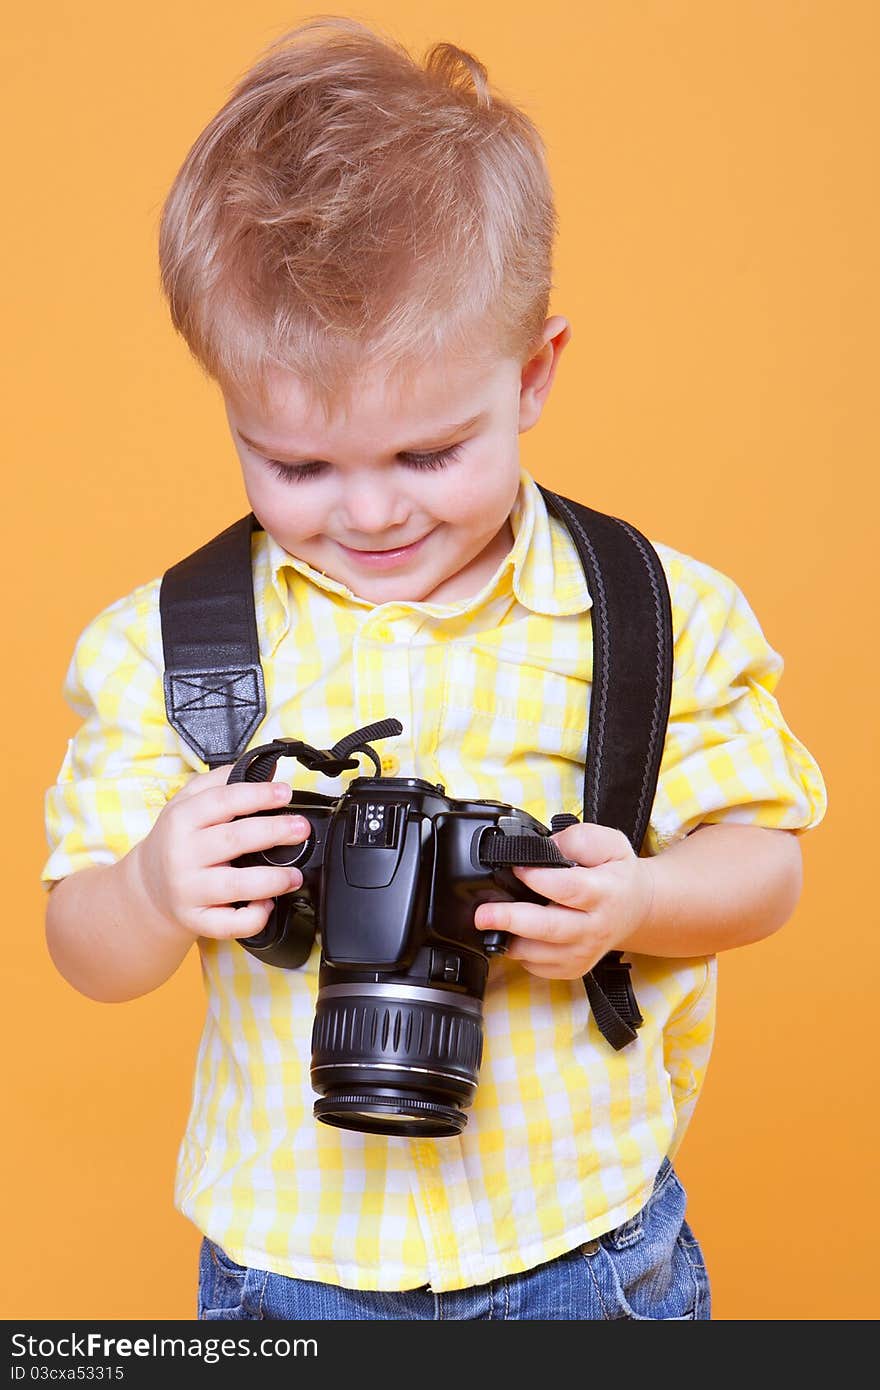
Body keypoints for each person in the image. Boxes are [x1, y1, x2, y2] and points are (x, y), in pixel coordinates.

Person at [41, 17, 826, 1321]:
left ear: (532, 376)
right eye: (296, 465)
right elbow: (85, 944)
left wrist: (632, 899)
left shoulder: (645, 613)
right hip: (288, 1263)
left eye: (427, 454)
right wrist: (152, 880)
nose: (370, 512)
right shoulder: (174, 645)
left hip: (581, 1248)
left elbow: (771, 865)